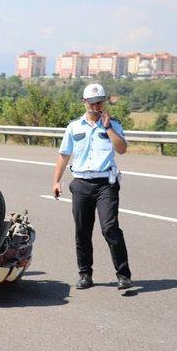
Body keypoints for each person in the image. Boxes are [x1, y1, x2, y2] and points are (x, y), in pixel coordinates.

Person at [52, 83, 133, 291]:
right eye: (93, 102)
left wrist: (108, 127)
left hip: (106, 183)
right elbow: (63, 155)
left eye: (100, 102)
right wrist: (56, 181)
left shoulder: (113, 124)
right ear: (84, 102)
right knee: (82, 231)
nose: (97, 106)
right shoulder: (74, 127)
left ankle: (123, 275)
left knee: (110, 228)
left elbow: (122, 149)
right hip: (80, 183)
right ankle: (85, 274)